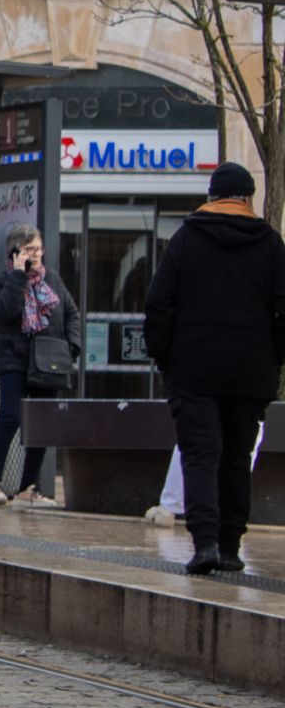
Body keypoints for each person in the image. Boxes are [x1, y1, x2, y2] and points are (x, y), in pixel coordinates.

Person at [145, 161, 285, 575]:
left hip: (193, 370)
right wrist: (274, 359)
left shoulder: (186, 240)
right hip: (250, 371)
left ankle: (204, 543)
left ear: (211, 197)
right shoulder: (271, 244)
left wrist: (165, 357)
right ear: (247, 199)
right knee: (237, 458)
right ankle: (230, 546)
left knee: (201, 455)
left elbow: (157, 304)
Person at [0, 225, 80, 507]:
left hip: (48, 360)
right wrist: (18, 275)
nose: (35, 255)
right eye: (28, 250)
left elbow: (71, 312)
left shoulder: (54, 280)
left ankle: (28, 488)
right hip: (15, 358)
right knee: (10, 417)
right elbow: (4, 311)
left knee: (41, 422)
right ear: (15, 253)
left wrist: (71, 347)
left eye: (37, 249)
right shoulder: (2, 280)